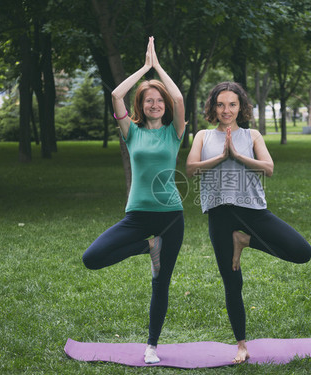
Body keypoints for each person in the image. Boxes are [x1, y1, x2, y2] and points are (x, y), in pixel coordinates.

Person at [186, 81, 311, 364]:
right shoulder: (203, 136)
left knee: (302, 252)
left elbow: (268, 168)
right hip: (220, 213)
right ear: (212, 107)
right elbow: (191, 169)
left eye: (232, 104)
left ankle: (244, 240)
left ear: (241, 107)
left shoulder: (252, 135)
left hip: (253, 211)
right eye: (220, 104)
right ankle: (241, 344)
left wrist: (238, 156)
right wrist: (220, 157)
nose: (226, 110)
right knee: (232, 281)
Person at [82, 37, 185, 364]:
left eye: (159, 100)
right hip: (137, 217)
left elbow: (180, 97)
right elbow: (115, 95)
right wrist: (143, 68)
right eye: (149, 100)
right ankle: (148, 248)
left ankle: (152, 345)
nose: (155, 104)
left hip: (170, 217)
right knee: (92, 257)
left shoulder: (175, 132)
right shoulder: (131, 131)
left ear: (165, 105)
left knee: (160, 284)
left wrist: (158, 68)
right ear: (141, 105)